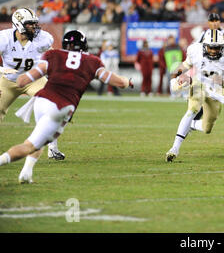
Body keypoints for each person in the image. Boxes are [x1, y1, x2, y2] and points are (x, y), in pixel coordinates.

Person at [0, 30, 133, 183]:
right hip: (59, 107)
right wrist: (128, 81)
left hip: (41, 100)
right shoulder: (92, 61)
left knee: (41, 136)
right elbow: (120, 83)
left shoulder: (53, 55)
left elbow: (22, 81)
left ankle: (26, 172)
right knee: (30, 145)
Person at [165, 29, 224, 162]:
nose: (213, 51)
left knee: (207, 128)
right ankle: (174, 148)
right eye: (211, 47)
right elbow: (185, 65)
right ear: (205, 45)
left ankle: (192, 124)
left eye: (217, 48)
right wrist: (178, 74)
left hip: (215, 92)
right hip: (198, 84)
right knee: (193, 109)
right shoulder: (195, 50)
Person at [0, 7, 65, 160]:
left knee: (53, 107)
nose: (35, 27)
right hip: (7, 79)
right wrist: (2, 70)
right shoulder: (4, 38)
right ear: (19, 24)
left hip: (33, 78)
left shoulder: (43, 38)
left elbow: (51, 53)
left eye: (35, 24)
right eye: (30, 24)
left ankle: (53, 149)